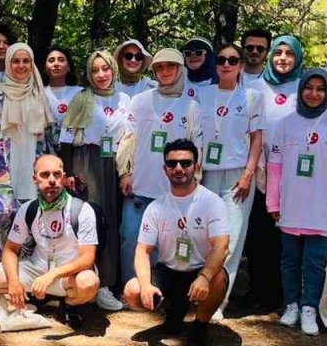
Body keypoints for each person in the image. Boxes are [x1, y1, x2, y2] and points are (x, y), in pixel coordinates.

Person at [266, 69, 327, 336]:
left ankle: (309, 308)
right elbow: (275, 165)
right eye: (309, 88)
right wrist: (273, 202)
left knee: (315, 262)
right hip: (291, 202)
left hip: (322, 204)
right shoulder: (286, 123)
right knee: (289, 259)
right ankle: (291, 304)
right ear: (301, 90)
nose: (313, 94)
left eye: (320, 89)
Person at [123, 138, 231, 346]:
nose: (179, 169)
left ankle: (200, 325)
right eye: (172, 164)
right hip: (169, 272)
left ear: (196, 167)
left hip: (199, 272)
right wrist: (145, 285)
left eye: (185, 163)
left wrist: (204, 276)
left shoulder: (212, 202)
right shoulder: (155, 207)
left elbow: (222, 247)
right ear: (165, 169)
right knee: (132, 290)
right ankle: (174, 312)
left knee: (219, 278)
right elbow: (142, 251)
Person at [0, 154, 100, 330]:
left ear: (63, 177)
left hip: (67, 275)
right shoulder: (28, 209)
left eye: (56, 175)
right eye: (45, 175)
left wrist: (53, 275)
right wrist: (13, 281)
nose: (51, 180)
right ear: (35, 179)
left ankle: (71, 304)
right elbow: (10, 250)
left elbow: (87, 259)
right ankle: (29, 296)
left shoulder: (81, 209)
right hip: (37, 269)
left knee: (89, 283)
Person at [119, 48, 202, 285]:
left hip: (174, 188)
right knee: (130, 236)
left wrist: (193, 183)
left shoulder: (191, 106)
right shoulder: (141, 101)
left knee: (168, 241)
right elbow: (128, 140)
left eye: (171, 67)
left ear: (180, 70)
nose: (165, 72)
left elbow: (197, 147)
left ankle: (161, 288)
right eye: (160, 67)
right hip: (140, 184)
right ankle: (131, 287)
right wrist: (125, 172)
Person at [197, 43, 264, 320]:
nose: (226, 65)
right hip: (206, 174)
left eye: (232, 60)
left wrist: (249, 173)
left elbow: (258, 137)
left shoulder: (252, 96)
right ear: (216, 65)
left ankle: (218, 301)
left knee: (232, 238)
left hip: (237, 175)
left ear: (240, 66)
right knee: (205, 235)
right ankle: (199, 289)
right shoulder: (202, 94)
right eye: (222, 60)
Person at [0, 43, 55, 263]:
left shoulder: (40, 96)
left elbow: (49, 141)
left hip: (33, 175)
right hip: (2, 176)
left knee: (31, 228)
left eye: (25, 61)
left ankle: (24, 283)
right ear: (8, 64)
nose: (21, 66)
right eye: (15, 61)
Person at [59, 50, 129, 311]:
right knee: (92, 221)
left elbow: (131, 136)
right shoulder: (81, 98)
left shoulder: (124, 98)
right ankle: (89, 282)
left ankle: (108, 283)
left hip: (116, 163)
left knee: (114, 221)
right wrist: (67, 173)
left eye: (106, 69)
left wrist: (127, 170)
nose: (101, 74)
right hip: (87, 163)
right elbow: (66, 139)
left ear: (113, 69)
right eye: (96, 70)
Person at [242, 34, 305, 310]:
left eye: (288, 53)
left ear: (297, 57)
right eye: (278, 53)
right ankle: (258, 290)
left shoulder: (305, 86)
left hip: (294, 172)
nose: (282, 58)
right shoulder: (255, 87)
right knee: (259, 232)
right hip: (260, 169)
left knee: (289, 234)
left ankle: (287, 293)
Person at [42, 46, 82, 145]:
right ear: (45, 68)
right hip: (44, 152)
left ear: (68, 67)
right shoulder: (38, 94)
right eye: (51, 60)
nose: (56, 64)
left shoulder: (80, 93)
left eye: (61, 60)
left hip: (74, 152)